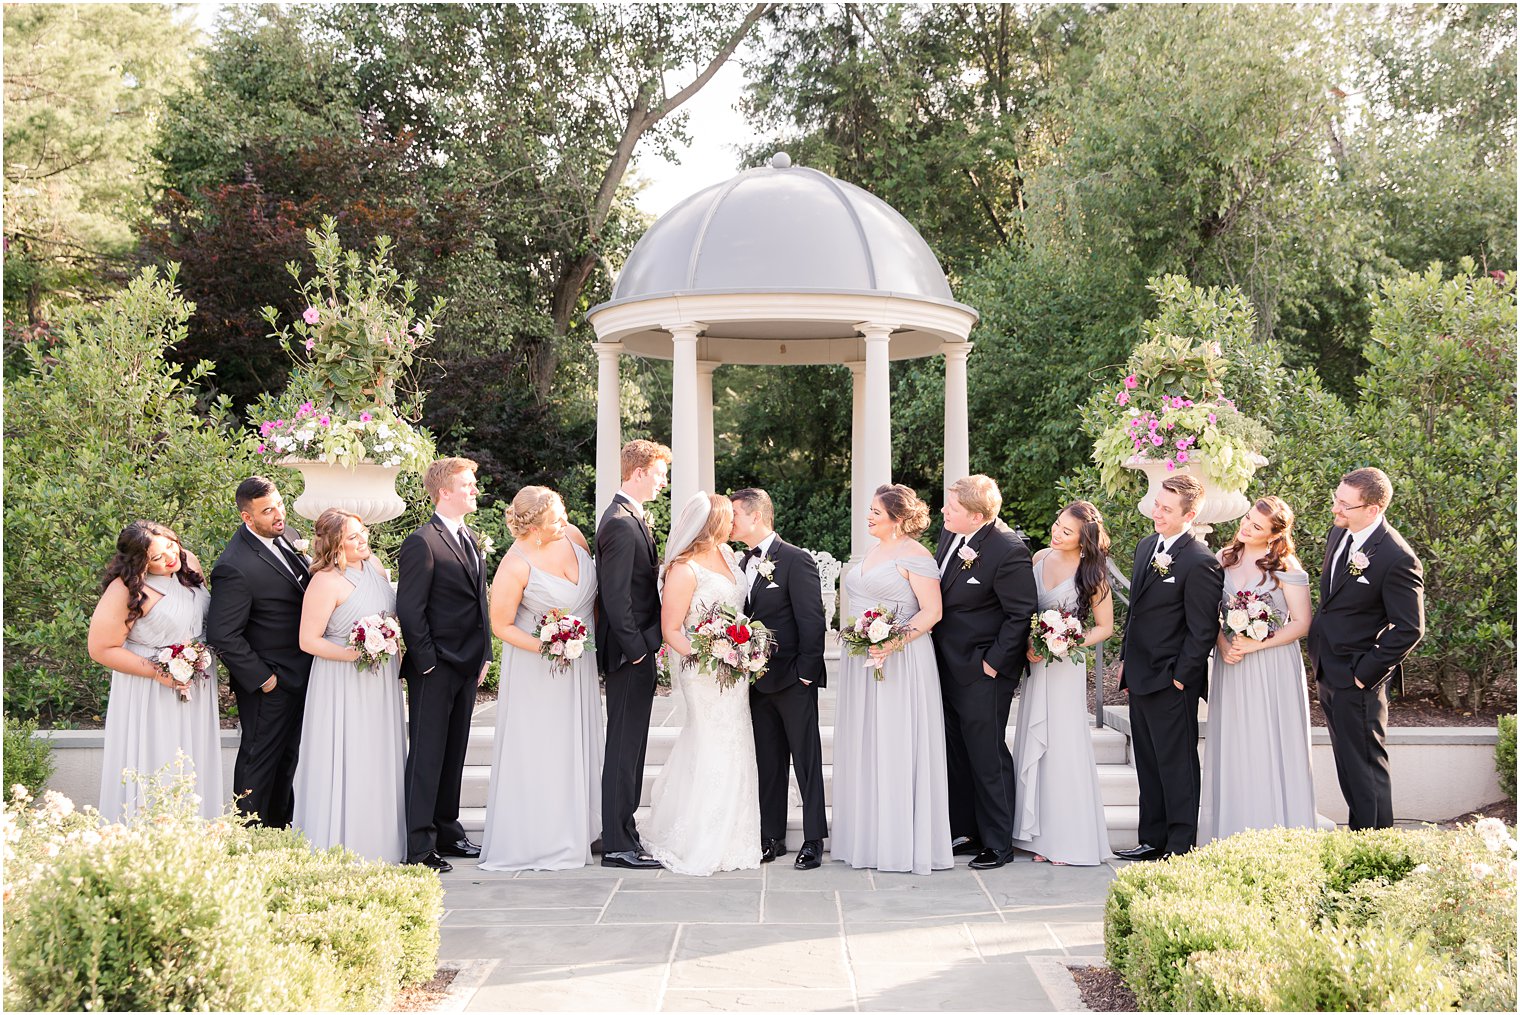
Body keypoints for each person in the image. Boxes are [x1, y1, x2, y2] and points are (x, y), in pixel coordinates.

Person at [478, 487, 602, 872]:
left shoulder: (575, 537)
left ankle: (585, 828)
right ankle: (545, 836)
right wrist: (550, 647)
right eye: (555, 520)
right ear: (532, 528)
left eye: (563, 514)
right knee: (544, 746)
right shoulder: (515, 565)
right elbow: (501, 626)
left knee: (578, 740)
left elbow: (593, 599)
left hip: (578, 664)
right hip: (540, 668)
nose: (564, 523)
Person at [831, 483, 951, 875]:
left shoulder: (916, 555)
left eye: (876, 513)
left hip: (902, 659)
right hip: (863, 657)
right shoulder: (873, 552)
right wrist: (865, 639)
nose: (868, 517)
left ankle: (900, 842)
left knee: (896, 740)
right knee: (867, 741)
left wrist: (892, 641)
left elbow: (931, 611)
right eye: (869, 510)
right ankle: (867, 837)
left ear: (898, 518)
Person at [641, 492, 762, 876]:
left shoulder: (728, 558)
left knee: (737, 742)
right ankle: (701, 837)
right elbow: (671, 628)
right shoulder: (684, 569)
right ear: (712, 524)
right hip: (703, 673)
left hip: (735, 670)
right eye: (729, 518)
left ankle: (739, 836)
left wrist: (740, 651)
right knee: (711, 744)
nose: (734, 524)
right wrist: (708, 657)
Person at [1306, 467, 1424, 830]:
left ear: (1372, 510)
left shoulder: (1397, 557)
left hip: (1357, 679)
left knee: (1366, 769)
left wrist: (1363, 675)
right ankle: (1361, 844)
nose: (1335, 510)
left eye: (1345, 505)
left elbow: (1409, 628)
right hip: (1328, 670)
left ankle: (1375, 850)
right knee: (1348, 766)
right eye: (1336, 500)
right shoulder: (1340, 535)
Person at [930, 475, 1037, 871]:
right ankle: (967, 830)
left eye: (952, 507)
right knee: (957, 752)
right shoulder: (949, 536)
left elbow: (1019, 614)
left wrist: (992, 664)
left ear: (977, 515)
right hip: (945, 664)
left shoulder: (1008, 550)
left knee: (986, 753)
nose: (944, 511)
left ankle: (998, 842)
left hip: (983, 672)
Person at [1114, 474, 1223, 861]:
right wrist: (1126, 660)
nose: (1156, 512)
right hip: (1141, 674)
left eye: (1166, 508)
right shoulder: (1147, 547)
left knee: (1177, 763)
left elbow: (1202, 630)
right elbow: (1138, 614)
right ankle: (1151, 837)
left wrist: (1181, 678)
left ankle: (1179, 845)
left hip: (1172, 680)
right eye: (1156, 504)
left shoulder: (1201, 561)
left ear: (1190, 514)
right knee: (1147, 760)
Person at [1198, 496, 1317, 842]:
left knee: (1268, 739)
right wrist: (1224, 645)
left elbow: (1302, 623)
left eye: (1257, 526)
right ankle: (1231, 829)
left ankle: (1276, 830)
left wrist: (1256, 644)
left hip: (1272, 664)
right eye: (1248, 519)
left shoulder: (1286, 568)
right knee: (1235, 740)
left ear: (1274, 535)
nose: (1246, 527)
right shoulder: (1224, 558)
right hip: (1232, 662)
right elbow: (1210, 615)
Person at [290, 509, 406, 862]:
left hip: (380, 679)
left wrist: (387, 641)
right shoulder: (324, 581)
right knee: (347, 751)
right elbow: (308, 641)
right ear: (335, 544)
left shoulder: (377, 570)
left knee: (378, 753)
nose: (363, 540)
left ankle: (381, 840)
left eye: (363, 533)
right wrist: (354, 654)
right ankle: (341, 842)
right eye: (353, 537)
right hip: (341, 680)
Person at [89, 521, 223, 822]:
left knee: (194, 759)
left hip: (196, 682)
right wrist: (158, 672)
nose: (169, 559)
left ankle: (197, 833)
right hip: (150, 690)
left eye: (170, 547)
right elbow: (101, 648)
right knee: (158, 757)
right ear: (139, 563)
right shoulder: (125, 589)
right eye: (156, 559)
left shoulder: (188, 562)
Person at [397, 457, 493, 872]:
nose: (475, 490)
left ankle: (449, 830)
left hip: (468, 664)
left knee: (454, 752)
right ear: (444, 492)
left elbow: (479, 602)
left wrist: (486, 652)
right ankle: (420, 845)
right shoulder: (423, 541)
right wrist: (429, 663)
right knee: (428, 754)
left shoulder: (469, 537)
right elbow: (410, 608)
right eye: (468, 485)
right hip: (435, 668)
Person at [1011, 501, 1115, 866]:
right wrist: (1029, 642)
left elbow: (1105, 627)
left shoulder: (1093, 575)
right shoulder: (1039, 558)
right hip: (1036, 664)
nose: (1056, 533)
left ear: (1083, 540)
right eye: (1057, 525)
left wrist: (1064, 641)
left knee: (1062, 744)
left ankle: (1067, 837)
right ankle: (1037, 835)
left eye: (1066, 531)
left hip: (1065, 665)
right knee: (1035, 738)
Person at [731, 487, 828, 871]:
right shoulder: (739, 563)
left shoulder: (795, 559)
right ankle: (771, 836)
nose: (731, 521)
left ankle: (813, 839)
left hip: (792, 679)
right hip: (754, 681)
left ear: (757, 517)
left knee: (806, 760)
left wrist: (806, 674)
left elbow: (812, 620)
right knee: (768, 762)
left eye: (736, 513)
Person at [207, 476, 313, 828]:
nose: (279, 514)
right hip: (271, 683)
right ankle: (248, 833)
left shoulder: (290, 537)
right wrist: (265, 680)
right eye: (268, 511)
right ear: (247, 518)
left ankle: (279, 831)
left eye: (280, 504)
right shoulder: (233, 565)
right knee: (259, 760)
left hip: (301, 674)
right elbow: (223, 634)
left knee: (288, 759)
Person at [594, 439, 672, 870]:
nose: (664, 481)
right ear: (639, 471)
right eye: (660, 473)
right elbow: (616, 598)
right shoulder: (621, 523)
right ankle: (618, 844)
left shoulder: (629, 517)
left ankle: (622, 829)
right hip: (629, 656)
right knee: (624, 748)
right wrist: (640, 652)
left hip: (636, 651)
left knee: (632, 747)